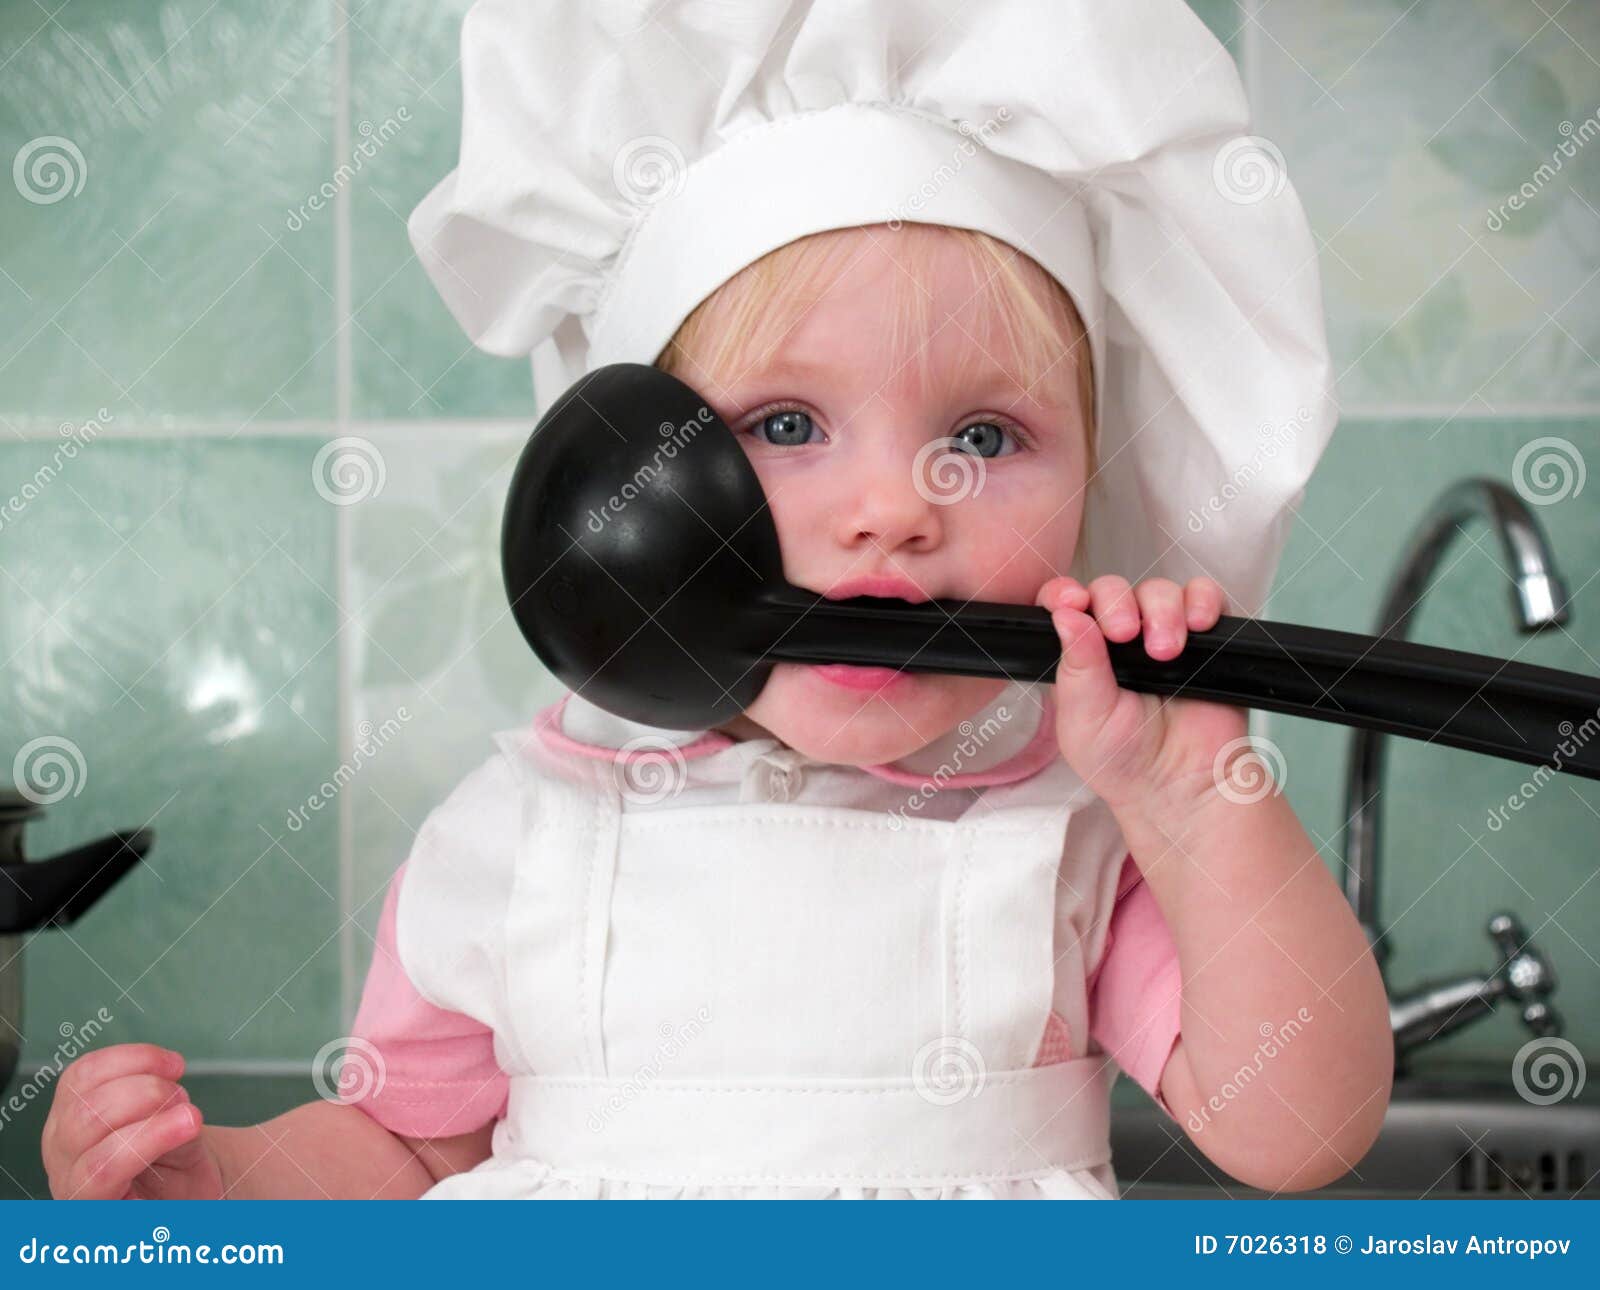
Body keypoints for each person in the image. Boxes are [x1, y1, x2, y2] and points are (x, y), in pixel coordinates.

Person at [41, 0, 1391, 1199]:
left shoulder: (1084, 838)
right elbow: (407, 1148)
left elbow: (1298, 1130)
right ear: (635, 473)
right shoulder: (513, 836)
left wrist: (1196, 813)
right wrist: (217, 1180)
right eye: (789, 419)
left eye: (983, 437)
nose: (896, 507)